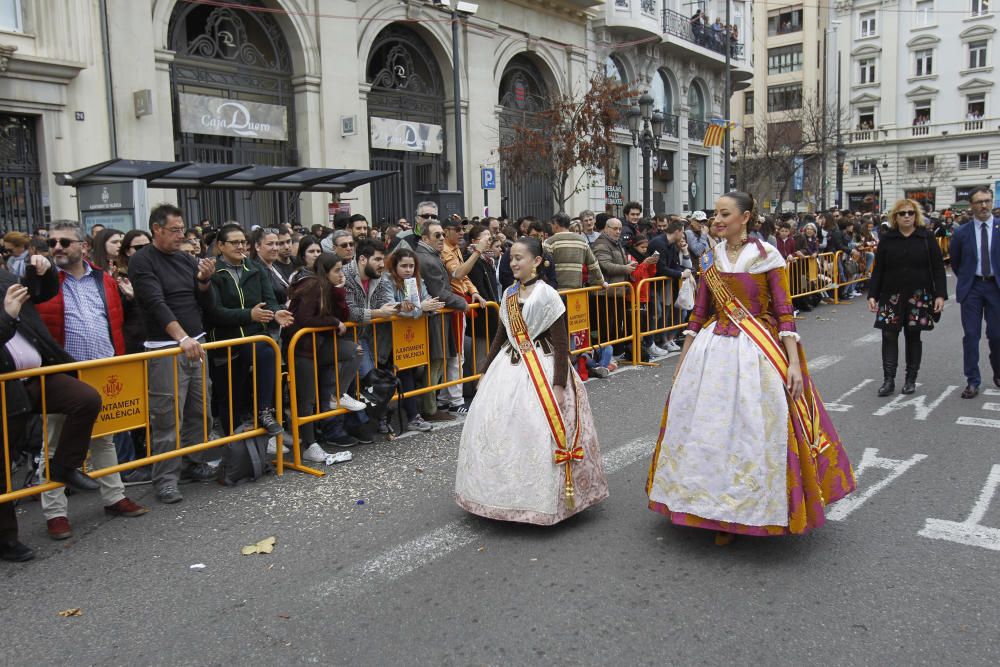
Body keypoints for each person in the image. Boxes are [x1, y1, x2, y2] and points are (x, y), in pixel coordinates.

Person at [646, 192, 855, 545]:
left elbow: (784, 309)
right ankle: (704, 505)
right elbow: (699, 312)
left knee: (750, 429)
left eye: (725, 213)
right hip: (712, 352)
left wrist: (791, 362)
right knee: (707, 428)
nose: (717, 219)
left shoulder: (765, 255)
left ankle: (744, 512)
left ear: (745, 217)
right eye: (716, 213)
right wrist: (683, 358)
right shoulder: (709, 257)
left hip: (755, 350)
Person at [454, 237, 608, 524]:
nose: (513, 262)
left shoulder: (547, 295)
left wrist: (560, 385)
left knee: (537, 432)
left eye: (519, 258)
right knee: (499, 431)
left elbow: (562, 345)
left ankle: (544, 501)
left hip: (543, 367)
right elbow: (501, 335)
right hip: (508, 368)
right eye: (511, 258)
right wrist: (485, 370)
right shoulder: (509, 293)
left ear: (536, 261)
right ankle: (499, 497)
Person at [34, 221, 148, 538]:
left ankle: (114, 496)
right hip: (61, 375)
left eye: (65, 242)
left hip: (103, 369)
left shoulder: (103, 278)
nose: (57, 247)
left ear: (83, 246)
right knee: (54, 443)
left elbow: (115, 321)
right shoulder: (43, 280)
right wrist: (36, 272)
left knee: (104, 437)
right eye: (53, 242)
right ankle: (55, 513)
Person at [1, 255, 102, 562]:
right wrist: (7, 316)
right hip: (7, 387)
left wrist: (40, 273)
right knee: (3, 464)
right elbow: (8, 319)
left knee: (86, 399)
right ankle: (7, 540)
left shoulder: (4, 278)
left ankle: (63, 467)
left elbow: (39, 293)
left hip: (37, 375)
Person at [128, 203, 217, 505]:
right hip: (166, 348)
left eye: (182, 229)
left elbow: (203, 301)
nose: (181, 235)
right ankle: (165, 478)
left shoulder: (185, 259)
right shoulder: (142, 261)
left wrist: (205, 281)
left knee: (200, 410)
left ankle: (195, 461)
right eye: (174, 230)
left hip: (198, 344)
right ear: (157, 229)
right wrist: (181, 337)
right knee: (167, 418)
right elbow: (155, 302)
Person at [207, 224, 290, 437]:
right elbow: (214, 312)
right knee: (230, 399)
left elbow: (269, 301)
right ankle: (234, 451)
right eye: (235, 242)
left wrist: (276, 313)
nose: (240, 246)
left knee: (267, 351)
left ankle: (264, 411)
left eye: (243, 242)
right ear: (220, 246)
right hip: (225, 342)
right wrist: (248, 315)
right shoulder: (214, 272)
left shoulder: (255, 268)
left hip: (253, 337)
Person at [285, 252, 366, 460]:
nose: (341, 274)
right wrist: (333, 322)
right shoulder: (313, 286)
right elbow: (304, 318)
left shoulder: (328, 287)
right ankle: (309, 445)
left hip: (319, 345)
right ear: (325, 271)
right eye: (337, 270)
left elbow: (343, 317)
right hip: (302, 348)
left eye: (341, 269)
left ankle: (336, 396)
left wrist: (339, 292)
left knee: (355, 350)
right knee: (307, 398)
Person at [866, 200, 947, 397]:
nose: (907, 216)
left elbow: (938, 268)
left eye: (911, 213)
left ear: (916, 215)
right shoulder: (887, 239)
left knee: (913, 335)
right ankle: (889, 380)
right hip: (890, 295)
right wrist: (872, 295)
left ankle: (910, 379)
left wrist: (940, 295)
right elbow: (879, 269)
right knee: (888, 335)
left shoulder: (926, 237)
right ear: (895, 217)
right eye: (902, 213)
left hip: (918, 295)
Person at [378, 248, 445, 432]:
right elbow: (393, 307)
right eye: (404, 266)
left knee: (406, 374)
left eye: (411, 266)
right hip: (386, 338)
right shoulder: (386, 280)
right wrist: (420, 309)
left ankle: (412, 416)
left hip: (407, 338)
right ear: (395, 265)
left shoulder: (416, 280)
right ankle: (381, 418)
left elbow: (426, 299)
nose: (408, 269)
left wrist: (428, 306)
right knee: (384, 378)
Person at [949, 186, 1000, 398]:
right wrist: (969, 280)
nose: (984, 205)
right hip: (972, 287)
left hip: (996, 287)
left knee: (996, 335)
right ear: (972, 206)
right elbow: (956, 261)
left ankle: (998, 370)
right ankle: (972, 380)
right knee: (971, 335)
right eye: (979, 202)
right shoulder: (962, 233)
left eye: (987, 200)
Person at [415, 221, 468, 422]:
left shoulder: (429, 256)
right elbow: (440, 291)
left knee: (438, 361)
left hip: (437, 315)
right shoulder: (427, 259)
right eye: (436, 236)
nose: (441, 239)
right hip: (433, 318)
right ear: (425, 238)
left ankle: (432, 405)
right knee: (435, 362)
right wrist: (461, 302)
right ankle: (429, 408)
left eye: (441, 235)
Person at [543, 213, 605, 290]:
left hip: (557, 290)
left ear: (555, 224)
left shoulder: (549, 242)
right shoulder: (582, 241)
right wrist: (601, 282)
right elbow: (593, 264)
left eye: (551, 224)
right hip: (576, 290)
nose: (551, 227)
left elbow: (545, 266)